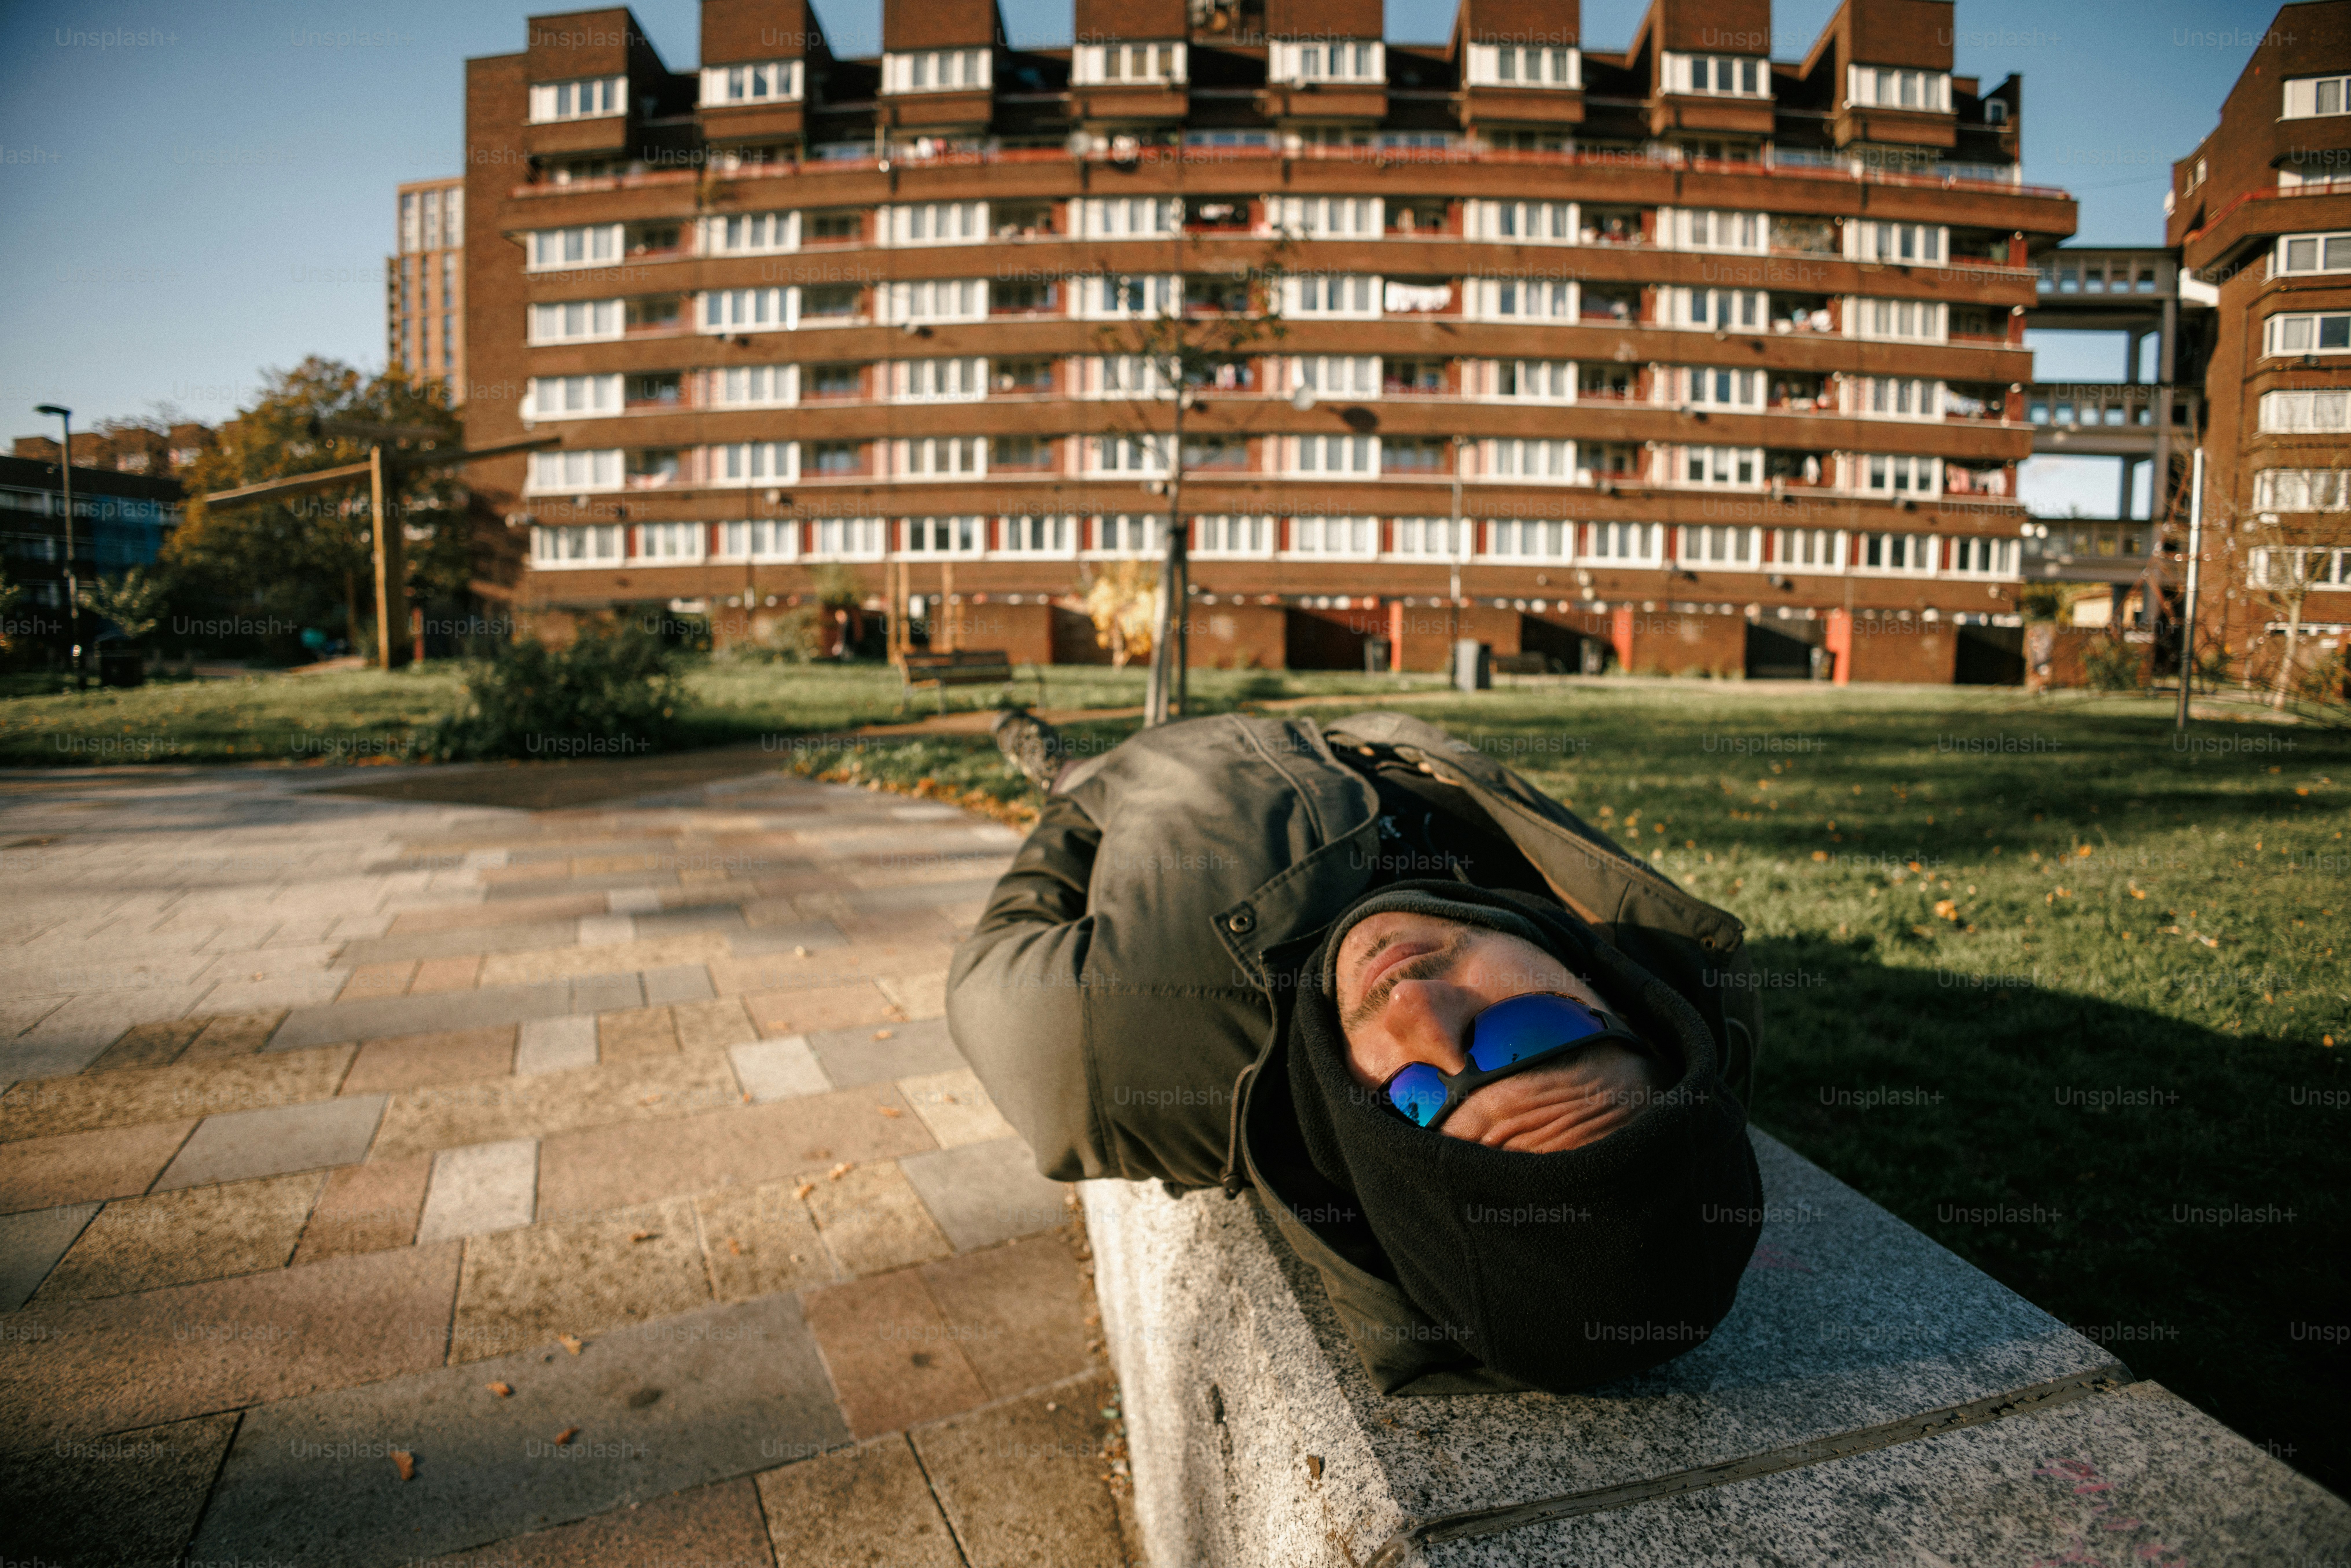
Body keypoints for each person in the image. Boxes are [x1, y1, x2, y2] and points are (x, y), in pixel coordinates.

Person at [949, 707, 1765, 1396]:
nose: (1415, 1004)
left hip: (1153, 772)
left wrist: (1079, 796)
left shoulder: (1091, 1052)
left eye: (1414, 1096)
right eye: (1532, 1033)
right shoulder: (1670, 958)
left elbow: (1017, 920)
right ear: (1617, 1004)